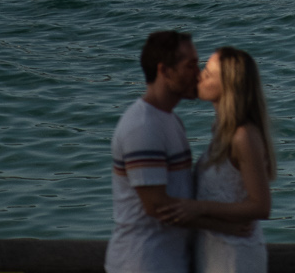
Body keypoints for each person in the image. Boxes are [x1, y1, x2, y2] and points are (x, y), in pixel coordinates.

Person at [159, 46, 275, 273]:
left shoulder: (243, 136)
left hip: (235, 256)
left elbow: (261, 206)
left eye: (208, 73)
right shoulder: (222, 132)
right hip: (214, 251)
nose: (199, 75)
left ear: (229, 87)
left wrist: (198, 207)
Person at [106, 30, 200, 273]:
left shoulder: (169, 120)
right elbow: (158, 208)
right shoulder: (143, 126)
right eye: (191, 66)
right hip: (142, 262)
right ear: (165, 71)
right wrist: (227, 224)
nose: (198, 75)